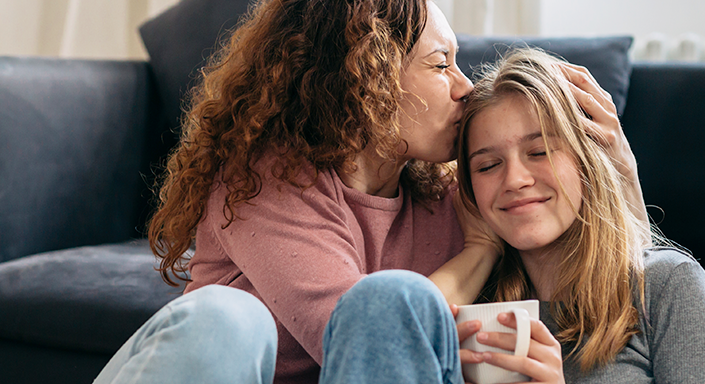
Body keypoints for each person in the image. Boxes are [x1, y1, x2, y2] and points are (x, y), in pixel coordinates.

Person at [98, 0, 501, 383]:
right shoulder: (263, 178)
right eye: (440, 64)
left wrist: (559, 99)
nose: (465, 86)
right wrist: (480, 250)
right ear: (367, 75)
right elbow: (367, 336)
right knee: (229, 317)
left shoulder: (455, 192)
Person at [446, 47, 705, 383]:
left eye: (540, 151)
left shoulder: (666, 286)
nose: (514, 180)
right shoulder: (474, 302)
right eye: (488, 165)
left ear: (587, 161)